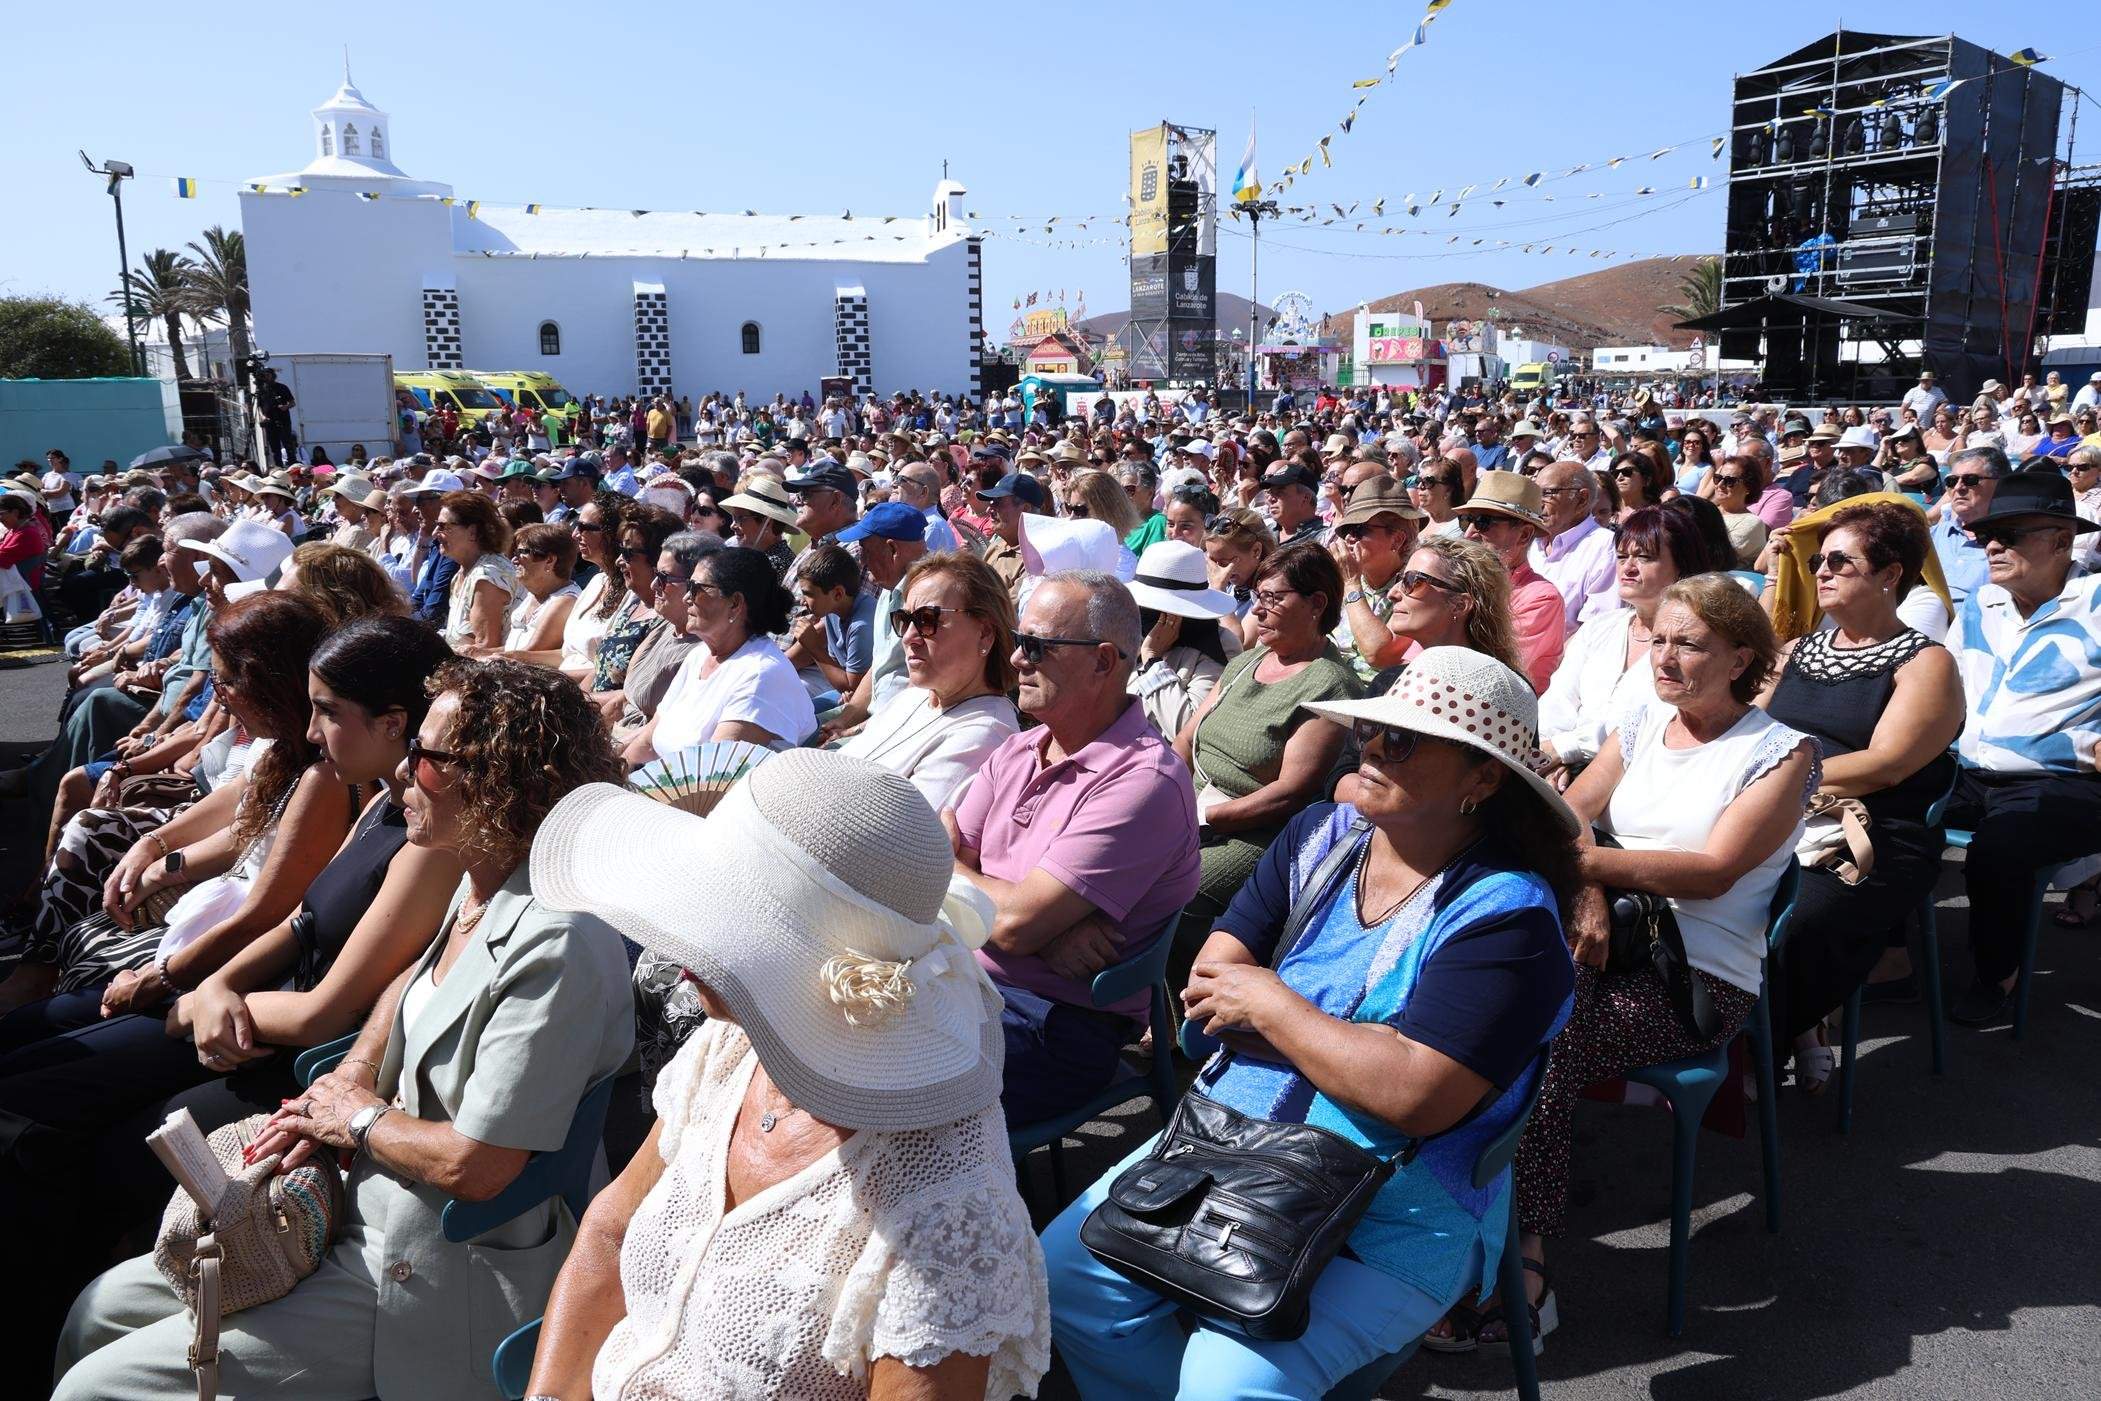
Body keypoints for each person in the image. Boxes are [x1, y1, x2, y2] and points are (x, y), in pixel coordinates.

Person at [54, 657, 633, 1400]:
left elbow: (478, 1165)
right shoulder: (483, 879)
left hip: (425, 1275)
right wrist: (355, 1072)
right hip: (360, 1215)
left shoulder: (561, 940)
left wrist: (350, 1117)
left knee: (92, 1388)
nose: (401, 770)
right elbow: (413, 984)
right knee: (94, 1314)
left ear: (498, 778)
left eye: (425, 754)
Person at [1046, 647, 1580, 1393]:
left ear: (1482, 779)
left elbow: (1413, 1098)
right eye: (1372, 730)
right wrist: (1359, 1049)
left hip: (1389, 1214)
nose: (1371, 748)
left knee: (1224, 1378)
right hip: (1224, 1148)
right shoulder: (1317, 835)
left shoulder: (1505, 916)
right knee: (1065, 1279)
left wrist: (1268, 1000)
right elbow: (1206, 991)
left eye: (1405, 739)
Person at [524, 751, 1049, 1399]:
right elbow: (610, 1231)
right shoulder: (730, 1045)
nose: (680, 942)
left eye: (723, 923)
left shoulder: (946, 1200)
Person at [0, 617, 458, 1353]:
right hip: (243, 1014)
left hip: (284, 1050)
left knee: (97, 1142)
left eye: (326, 712)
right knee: (31, 1086)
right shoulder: (380, 795)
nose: (309, 730)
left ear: (394, 722)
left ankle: (49, 1323)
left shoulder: (426, 834)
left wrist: (204, 997)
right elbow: (298, 923)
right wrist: (213, 986)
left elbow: (327, 1007)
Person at [1495, 574, 1816, 1350]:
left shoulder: (1780, 754)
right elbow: (1570, 812)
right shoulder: (1643, 718)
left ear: (1741, 656)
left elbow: (1710, 870)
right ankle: (1449, 1223)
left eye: (1688, 643)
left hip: (1699, 976)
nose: (1663, 658)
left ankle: (1524, 1262)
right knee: (1491, 1000)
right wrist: (1590, 893)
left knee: (1545, 1039)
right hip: (1611, 941)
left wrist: (1593, 872)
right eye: (1658, 640)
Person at [0, 592, 358, 1024]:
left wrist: (159, 977)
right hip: (223, 904)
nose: (218, 699)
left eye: (225, 683)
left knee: (59, 999)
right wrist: (152, 846)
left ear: (267, 685)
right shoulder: (284, 744)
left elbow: (263, 912)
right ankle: (35, 978)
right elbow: (243, 802)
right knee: (83, 925)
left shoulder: (325, 776)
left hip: (241, 950)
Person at [947, 570, 1200, 1124]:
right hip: (963, 979)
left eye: (1036, 646)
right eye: (1018, 641)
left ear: (1104, 662)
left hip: (1053, 1024)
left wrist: (1018, 925)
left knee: (865, 1081)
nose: (1015, 659)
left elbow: (1007, 920)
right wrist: (1039, 934)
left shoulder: (1143, 782)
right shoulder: (1019, 748)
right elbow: (940, 863)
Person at [1757, 503, 1963, 1088]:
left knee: (1801, 917)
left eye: (1840, 562)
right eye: (1819, 560)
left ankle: (1761, 1040)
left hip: (1874, 830)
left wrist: (1775, 779)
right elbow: (1747, 731)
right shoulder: (1794, 651)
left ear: (1890, 575)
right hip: (1781, 808)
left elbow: (1887, 765)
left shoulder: (1925, 663)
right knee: (1697, 888)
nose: (1820, 571)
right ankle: (1787, 1026)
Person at [1941, 469, 2101, 1024]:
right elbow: (1944, 683)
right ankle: (1889, 960)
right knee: (1882, 816)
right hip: (1967, 768)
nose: (1991, 544)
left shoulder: (2099, 603)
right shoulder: (1982, 603)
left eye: (2010, 534)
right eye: (1989, 533)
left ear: (2062, 540)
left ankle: (1996, 975)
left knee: (1998, 851)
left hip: (2064, 781)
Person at [1170, 543, 1362, 993]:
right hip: (1191, 808)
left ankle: (1177, 1014)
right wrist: (1162, 797)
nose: (1259, 607)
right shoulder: (1245, 662)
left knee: (1180, 889)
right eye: (1257, 595)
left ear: (1317, 604)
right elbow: (1185, 741)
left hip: (1255, 833)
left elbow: (1290, 794)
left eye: (1274, 597)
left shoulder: (1330, 683)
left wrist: (1204, 818)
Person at [1535, 506, 1709, 786]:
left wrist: (1567, 749)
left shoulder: (1697, 643)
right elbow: (1559, 700)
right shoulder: (1599, 628)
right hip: (1560, 765)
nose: (1628, 567)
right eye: (1622, 556)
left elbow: (1653, 721)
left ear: (1681, 566)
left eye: (1644, 557)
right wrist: (1550, 754)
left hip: (1640, 777)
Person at [838, 551, 1020, 811]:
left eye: (927, 620)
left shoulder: (984, 734)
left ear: (985, 634)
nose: (908, 637)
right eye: (904, 620)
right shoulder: (914, 697)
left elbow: (899, 836)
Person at [626, 544, 815, 764]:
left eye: (696, 588)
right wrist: (612, 779)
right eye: (688, 586)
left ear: (735, 604)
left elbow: (711, 776)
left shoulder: (761, 674)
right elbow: (648, 742)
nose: (686, 597)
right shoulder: (698, 656)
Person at [1456, 474, 1564, 691]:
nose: (1469, 534)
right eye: (1467, 520)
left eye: (1483, 523)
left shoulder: (1542, 598)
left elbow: (1492, 673)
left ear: (1524, 535)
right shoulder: (1460, 581)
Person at [1125, 539, 1240, 740]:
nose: (1142, 614)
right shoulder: (1129, 631)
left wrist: (1153, 660)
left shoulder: (1219, 645)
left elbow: (1189, 730)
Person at [1381, 535, 1528, 681]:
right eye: (1400, 579)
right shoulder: (1390, 681)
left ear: (1460, 605)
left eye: (1412, 581)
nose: (1393, 594)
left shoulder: (1498, 688)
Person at [1331, 475, 1425, 683]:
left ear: (1397, 539)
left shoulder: (1417, 586)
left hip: (1376, 694)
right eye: (1347, 530)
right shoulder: (1341, 575)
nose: (1349, 538)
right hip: (1331, 681)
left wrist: (1350, 584)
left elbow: (1379, 654)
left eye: (1359, 530)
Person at [588, 503, 684, 705]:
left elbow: (628, 697)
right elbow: (600, 670)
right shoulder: (632, 600)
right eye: (619, 550)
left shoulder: (668, 618)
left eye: (629, 553)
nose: (619, 561)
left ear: (656, 558)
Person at [1528, 461, 1617, 634]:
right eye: (1535, 493)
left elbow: (1595, 630)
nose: (1538, 503)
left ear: (1582, 499)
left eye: (1547, 493)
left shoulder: (1606, 547)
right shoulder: (1531, 540)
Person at [434, 490, 523, 655]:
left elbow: (485, 650)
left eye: (443, 526)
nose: (435, 534)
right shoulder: (462, 574)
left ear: (473, 532)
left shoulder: (487, 577)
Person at [502, 521, 582, 656]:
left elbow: (528, 655)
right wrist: (476, 652)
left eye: (522, 552)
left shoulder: (565, 601)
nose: (514, 560)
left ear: (549, 560)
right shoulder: (533, 594)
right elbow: (511, 651)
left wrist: (484, 658)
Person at [1202, 505, 1276, 649]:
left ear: (1256, 551)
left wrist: (1218, 592)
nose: (1217, 570)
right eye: (1212, 561)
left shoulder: (1271, 589)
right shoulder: (1233, 584)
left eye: (1224, 562)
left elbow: (1239, 646)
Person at [1707, 454, 1773, 567]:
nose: (1720, 485)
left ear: (1748, 487)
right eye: (1718, 478)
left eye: (1729, 481)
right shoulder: (1706, 511)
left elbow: (1717, 558)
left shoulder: (1752, 523)